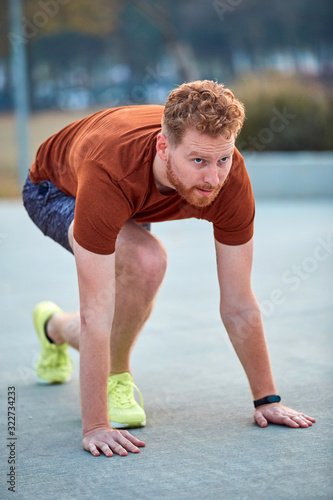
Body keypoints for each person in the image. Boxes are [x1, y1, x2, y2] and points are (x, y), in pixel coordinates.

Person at [23, 80, 315, 458]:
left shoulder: (228, 178)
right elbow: (97, 313)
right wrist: (96, 426)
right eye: (198, 161)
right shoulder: (111, 169)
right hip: (57, 187)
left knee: (141, 266)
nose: (213, 179)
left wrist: (267, 400)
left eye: (222, 159)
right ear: (164, 147)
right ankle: (117, 378)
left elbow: (239, 303)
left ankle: (54, 329)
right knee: (145, 260)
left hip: (132, 195)